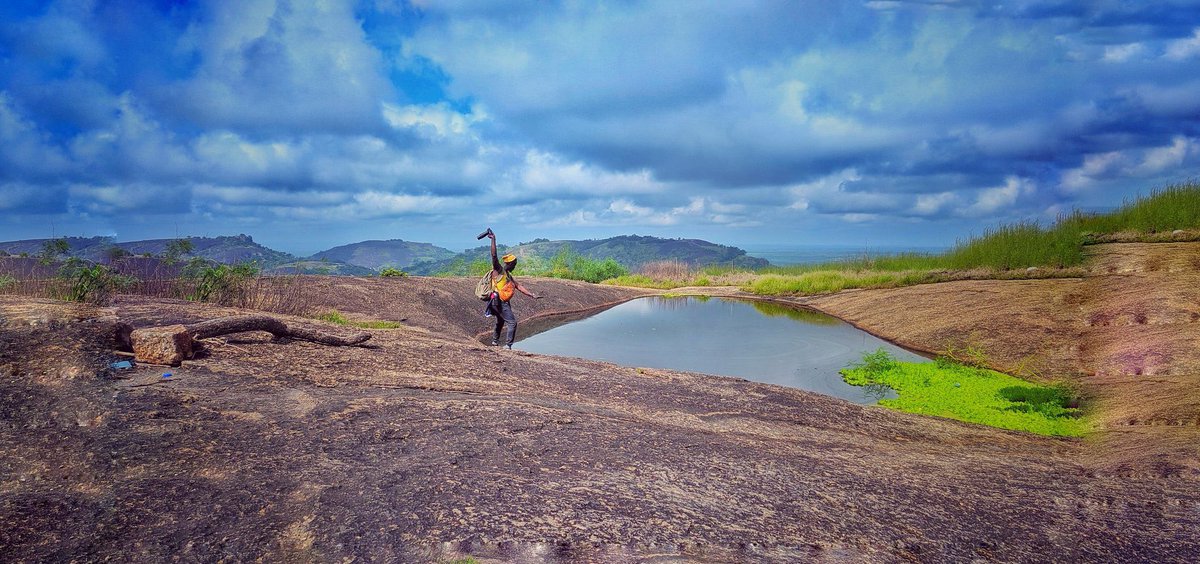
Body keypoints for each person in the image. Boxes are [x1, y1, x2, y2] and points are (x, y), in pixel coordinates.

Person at [483, 229, 540, 348]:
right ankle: (508, 346)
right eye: (514, 264)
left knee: (500, 321)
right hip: (498, 301)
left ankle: (494, 341)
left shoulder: (508, 275)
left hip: (501, 301)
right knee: (512, 323)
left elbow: (518, 286)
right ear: (509, 264)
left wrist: (532, 295)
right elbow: (494, 255)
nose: (515, 266)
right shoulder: (498, 270)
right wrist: (493, 239)